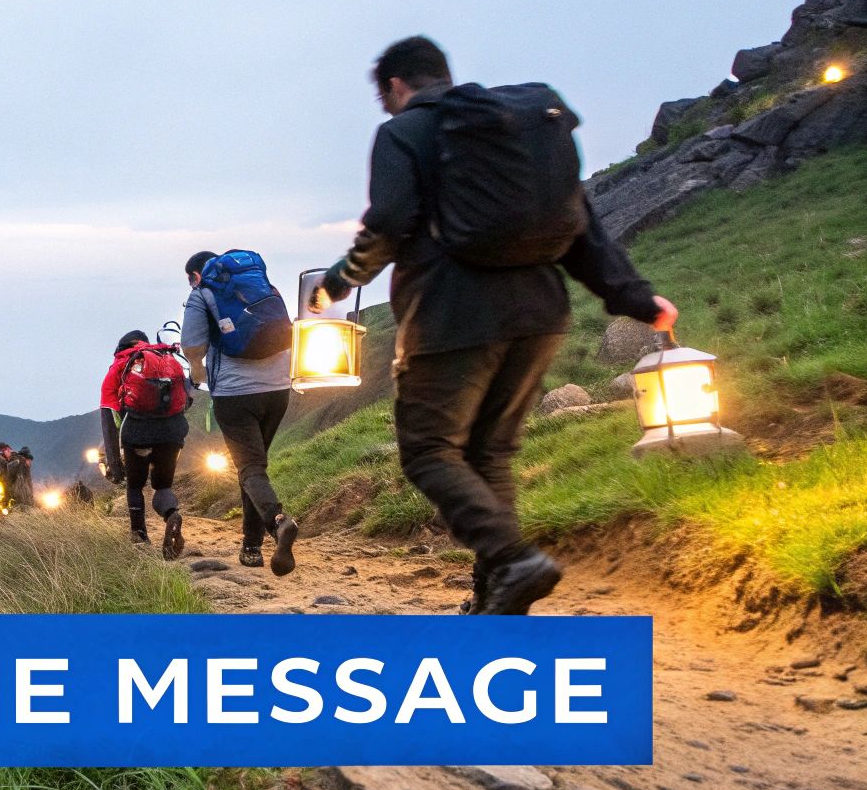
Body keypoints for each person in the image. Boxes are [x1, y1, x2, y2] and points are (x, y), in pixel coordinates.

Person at [313, 36, 678, 615]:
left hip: (452, 314)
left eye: (385, 100)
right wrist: (634, 298)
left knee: (429, 450)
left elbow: (387, 221)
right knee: (489, 454)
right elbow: (582, 228)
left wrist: (337, 282)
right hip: (540, 313)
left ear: (397, 87)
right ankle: (496, 595)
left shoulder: (403, 132)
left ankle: (512, 561)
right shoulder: (517, 137)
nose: (387, 110)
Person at [180, 252, 300, 575]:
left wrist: (196, 371)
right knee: (255, 468)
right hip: (278, 389)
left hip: (235, 394)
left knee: (249, 467)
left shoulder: (201, 292)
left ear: (196, 273)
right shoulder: (263, 286)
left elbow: (192, 346)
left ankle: (278, 523)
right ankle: (251, 547)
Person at [100, 329, 189, 558]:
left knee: (135, 485)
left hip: (139, 434)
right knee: (162, 486)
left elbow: (109, 416)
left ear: (121, 348)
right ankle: (171, 515)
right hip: (172, 434)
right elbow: (185, 400)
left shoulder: (121, 364)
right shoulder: (165, 358)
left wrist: (114, 465)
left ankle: (139, 536)